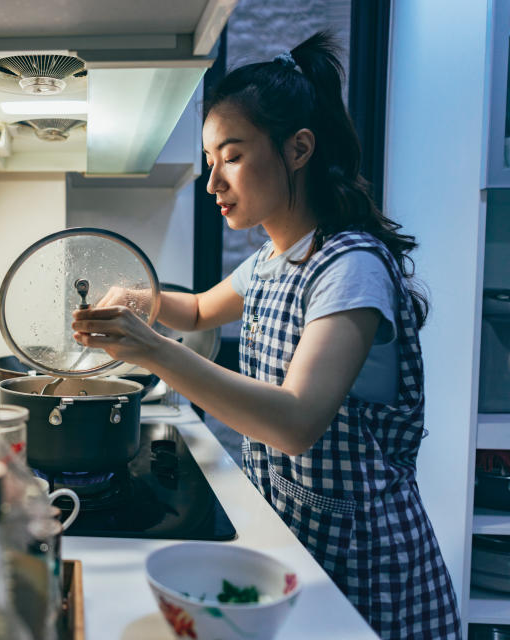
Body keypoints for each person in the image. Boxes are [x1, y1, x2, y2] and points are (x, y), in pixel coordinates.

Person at [71, 32, 460, 640]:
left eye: (231, 156)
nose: (212, 182)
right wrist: (141, 299)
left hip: (367, 567)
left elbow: (295, 422)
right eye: (209, 162)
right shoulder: (274, 258)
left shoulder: (350, 266)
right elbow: (199, 309)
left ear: (298, 149)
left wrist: (149, 348)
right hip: (300, 538)